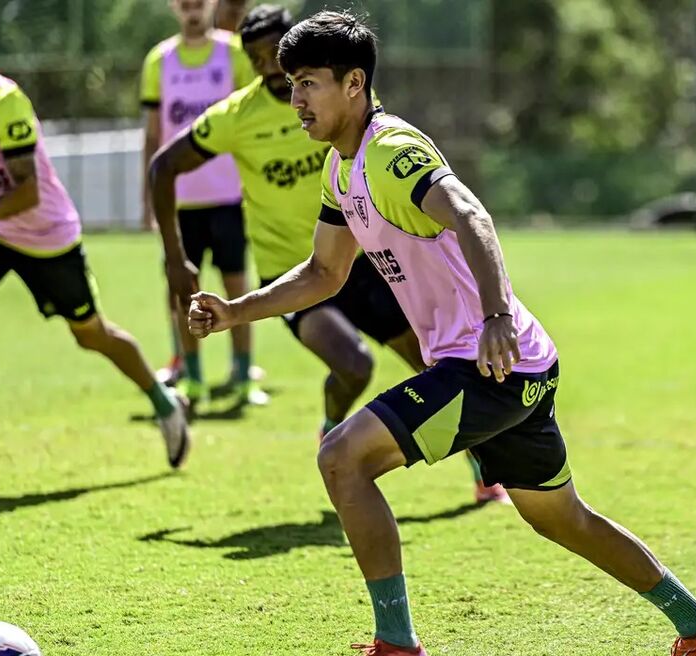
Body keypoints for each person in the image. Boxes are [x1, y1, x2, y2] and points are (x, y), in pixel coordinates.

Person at [187, 10, 696, 656]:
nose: (296, 99)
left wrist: (496, 315)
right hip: (517, 366)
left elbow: (472, 213)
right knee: (562, 518)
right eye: (291, 83)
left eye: (308, 82)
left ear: (354, 84)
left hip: (487, 361)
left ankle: (396, 643)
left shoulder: (393, 153)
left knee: (343, 456)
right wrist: (234, 311)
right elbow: (323, 272)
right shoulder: (342, 170)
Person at [152, 5, 508, 504]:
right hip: (293, 274)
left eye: (294, 69)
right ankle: (333, 428)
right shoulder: (236, 117)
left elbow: (466, 213)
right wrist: (175, 254)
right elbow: (163, 166)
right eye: (260, 60)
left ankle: (483, 466)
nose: (275, 74)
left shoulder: (354, 118)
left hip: (367, 265)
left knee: (436, 366)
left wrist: (496, 310)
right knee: (354, 365)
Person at [0, 18, 189, 486]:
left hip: (47, 238)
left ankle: (166, 404)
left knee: (91, 334)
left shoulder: (5, 105)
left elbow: (28, 195)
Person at [141, 0, 266, 409]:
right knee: (182, 289)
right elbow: (154, 134)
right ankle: (192, 379)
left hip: (229, 196)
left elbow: (254, 118)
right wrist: (149, 199)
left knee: (236, 287)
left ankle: (243, 374)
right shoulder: (160, 60)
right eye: (184, 4)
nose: (192, 11)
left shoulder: (233, 52)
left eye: (199, 3)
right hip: (180, 201)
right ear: (173, 8)